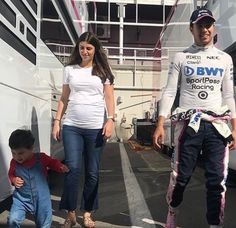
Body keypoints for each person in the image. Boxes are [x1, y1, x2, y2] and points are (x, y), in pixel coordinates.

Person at [153, 8, 236, 228]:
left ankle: (214, 224)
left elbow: (228, 94)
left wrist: (235, 126)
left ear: (214, 28)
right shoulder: (181, 57)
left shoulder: (224, 59)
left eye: (208, 25)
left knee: (217, 180)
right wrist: (160, 124)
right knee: (181, 177)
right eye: (200, 25)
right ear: (192, 29)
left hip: (218, 126)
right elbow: (170, 92)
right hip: (189, 125)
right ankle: (172, 209)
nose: (205, 29)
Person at [52, 31, 115, 228]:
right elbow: (63, 98)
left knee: (93, 172)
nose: (84, 51)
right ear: (77, 49)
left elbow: (109, 98)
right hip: (72, 126)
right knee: (72, 168)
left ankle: (87, 212)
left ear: (95, 50)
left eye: (88, 48)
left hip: (96, 128)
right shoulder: (70, 69)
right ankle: (70, 213)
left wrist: (110, 120)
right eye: (81, 48)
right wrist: (57, 121)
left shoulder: (103, 71)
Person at [8, 129, 69, 228]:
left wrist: (60, 167)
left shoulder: (41, 158)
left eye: (20, 153)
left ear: (31, 148)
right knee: (13, 219)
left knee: (44, 223)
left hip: (42, 199)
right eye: (13, 153)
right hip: (21, 199)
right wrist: (14, 179)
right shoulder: (13, 163)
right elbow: (10, 174)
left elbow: (52, 162)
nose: (16, 157)